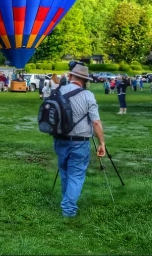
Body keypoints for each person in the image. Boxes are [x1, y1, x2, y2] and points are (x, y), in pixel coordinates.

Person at [52, 63, 106, 218]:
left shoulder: (58, 91)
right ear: (85, 80)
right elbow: (95, 122)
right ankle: (68, 209)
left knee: (65, 172)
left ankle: (66, 202)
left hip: (59, 139)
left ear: (70, 76)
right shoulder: (88, 95)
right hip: (79, 141)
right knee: (76, 175)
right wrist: (101, 143)